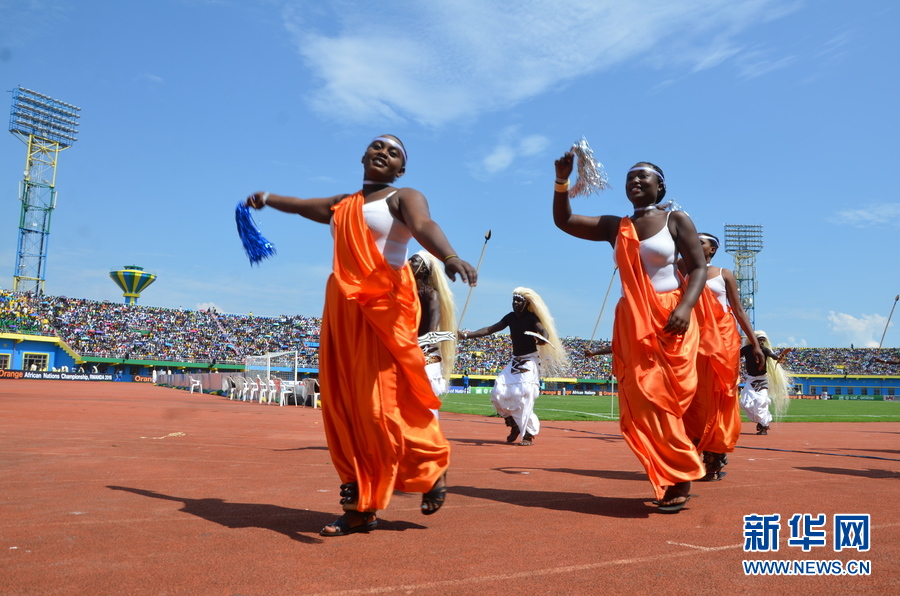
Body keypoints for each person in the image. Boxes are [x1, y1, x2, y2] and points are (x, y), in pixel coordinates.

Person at [246, 135, 477, 537]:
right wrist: (267, 197)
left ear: (401, 169)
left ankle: (429, 466)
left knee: (379, 406)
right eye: (377, 146)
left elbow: (424, 225)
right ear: (363, 155)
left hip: (383, 307)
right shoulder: (342, 204)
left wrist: (450, 255)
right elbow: (302, 208)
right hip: (342, 308)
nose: (383, 153)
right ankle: (359, 508)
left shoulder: (403, 197)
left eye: (393, 152)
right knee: (343, 408)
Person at [553, 153, 707, 513]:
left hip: (672, 316)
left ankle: (680, 468)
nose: (635, 182)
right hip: (633, 319)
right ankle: (677, 473)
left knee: (666, 398)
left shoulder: (676, 219)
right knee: (643, 398)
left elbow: (698, 268)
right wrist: (562, 181)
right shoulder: (615, 226)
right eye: (629, 178)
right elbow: (565, 220)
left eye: (643, 177)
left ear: (660, 186)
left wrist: (685, 307)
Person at [680, 233, 764, 482]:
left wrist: (755, 344)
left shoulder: (724, 273)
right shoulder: (681, 267)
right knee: (692, 400)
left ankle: (714, 459)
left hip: (722, 343)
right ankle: (691, 456)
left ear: (712, 249)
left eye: (701, 241)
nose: (694, 243)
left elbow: (738, 310)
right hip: (692, 340)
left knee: (720, 400)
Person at [459, 288, 568, 446]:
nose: (515, 303)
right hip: (515, 360)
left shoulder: (531, 318)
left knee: (524, 394)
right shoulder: (510, 317)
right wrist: (467, 335)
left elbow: (543, 330)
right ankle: (514, 424)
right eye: (513, 301)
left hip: (529, 360)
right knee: (498, 392)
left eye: (519, 301)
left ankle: (529, 433)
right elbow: (490, 329)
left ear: (525, 304)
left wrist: (543, 339)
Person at [409, 250, 457, 405]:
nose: (408, 262)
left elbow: (432, 330)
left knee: (424, 399)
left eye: (413, 261)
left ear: (423, 269)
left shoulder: (431, 294)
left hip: (425, 350)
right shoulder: (404, 292)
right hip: (409, 349)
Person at [740, 331, 792, 435]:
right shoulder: (746, 349)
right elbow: (736, 356)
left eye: (763, 340)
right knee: (744, 403)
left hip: (762, 380)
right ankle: (760, 420)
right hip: (750, 380)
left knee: (761, 402)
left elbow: (772, 355)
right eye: (760, 339)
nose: (762, 342)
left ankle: (764, 426)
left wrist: (779, 358)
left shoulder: (764, 350)